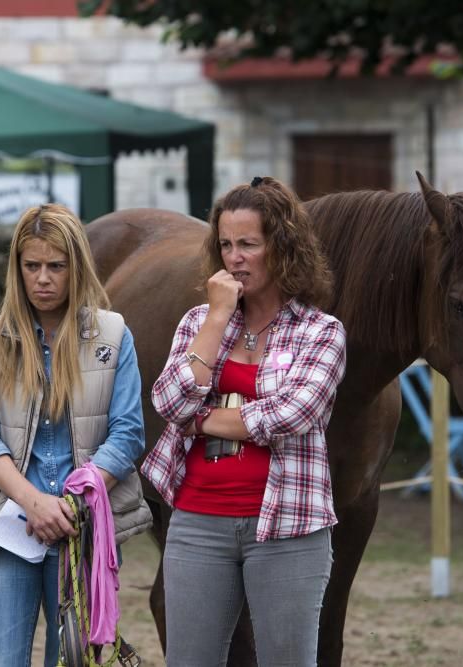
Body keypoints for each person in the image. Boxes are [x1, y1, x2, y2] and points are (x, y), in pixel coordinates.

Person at [142, 176, 347, 666]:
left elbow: (297, 412)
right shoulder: (198, 322)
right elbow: (169, 402)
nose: (234, 257)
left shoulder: (321, 331)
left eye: (249, 244)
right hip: (196, 522)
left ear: (283, 249)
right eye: (227, 245)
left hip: (288, 526)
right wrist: (216, 319)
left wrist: (206, 418)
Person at [0, 203, 152, 667]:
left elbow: (127, 434)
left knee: (73, 662)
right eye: (32, 266)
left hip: (81, 527)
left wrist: (73, 503)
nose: (43, 278)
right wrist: (33, 501)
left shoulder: (113, 335)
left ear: (76, 267)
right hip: (7, 525)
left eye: (56, 266)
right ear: (17, 268)